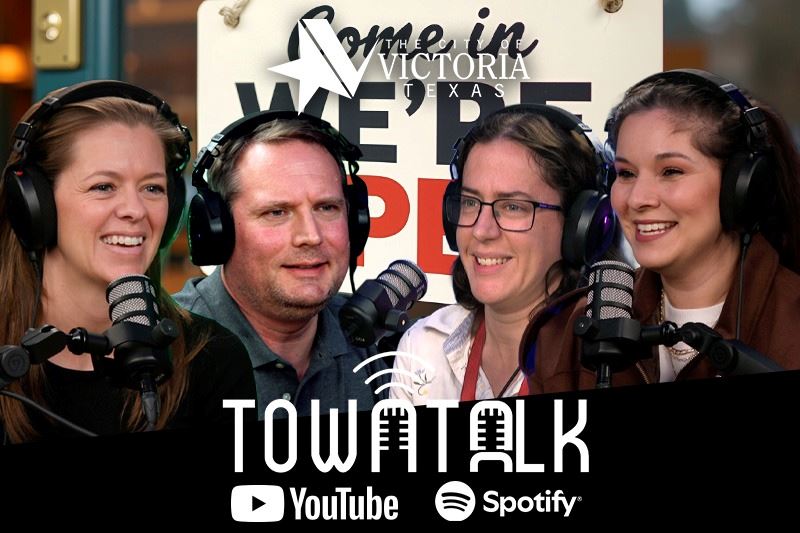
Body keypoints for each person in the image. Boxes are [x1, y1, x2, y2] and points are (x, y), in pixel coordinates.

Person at [0, 81, 256, 443]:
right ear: (34, 205)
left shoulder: (212, 359)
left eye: (152, 188)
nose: (135, 211)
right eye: (103, 186)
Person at [526, 69, 800, 392]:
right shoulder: (567, 333)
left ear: (741, 187)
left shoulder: (791, 323)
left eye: (671, 171)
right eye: (625, 173)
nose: (638, 199)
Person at [390, 104, 618, 404]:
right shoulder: (423, 347)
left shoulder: (611, 367)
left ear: (579, 227)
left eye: (513, 207)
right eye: (471, 202)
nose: (482, 231)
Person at [174, 111, 386, 417]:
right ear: (218, 230)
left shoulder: (378, 349)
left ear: (355, 222)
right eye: (276, 212)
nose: (310, 236)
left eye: (327, 208)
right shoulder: (164, 357)